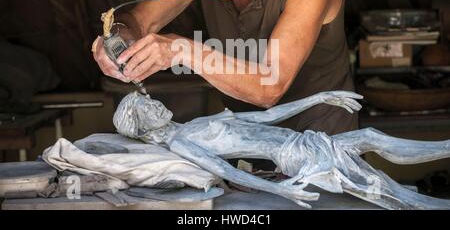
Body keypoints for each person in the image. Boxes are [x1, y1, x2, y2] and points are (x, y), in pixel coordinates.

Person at [93, 0, 356, 135]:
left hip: (320, 144)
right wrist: (119, 36)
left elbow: (270, 86)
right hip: (247, 137)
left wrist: (183, 50)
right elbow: (141, 19)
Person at [113, 90, 450, 210]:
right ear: (141, 126)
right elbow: (225, 171)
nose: (155, 104)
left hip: (303, 140)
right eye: (147, 108)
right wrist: (279, 189)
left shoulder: (194, 123)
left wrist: (317, 97)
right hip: (300, 156)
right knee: (390, 194)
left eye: (151, 100)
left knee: (372, 136)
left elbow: (266, 115)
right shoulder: (180, 142)